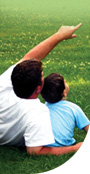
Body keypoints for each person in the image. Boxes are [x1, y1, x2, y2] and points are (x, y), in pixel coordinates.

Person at [0, 23, 82, 155]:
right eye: (42, 76)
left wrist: (59, 36)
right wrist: (74, 148)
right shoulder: (38, 112)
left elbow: (29, 58)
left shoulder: (3, 85)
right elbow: (35, 151)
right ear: (39, 88)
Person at [41, 73, 90, 147]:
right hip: (64, 145)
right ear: (64, 93)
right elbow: (88, 128)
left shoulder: (41, 109)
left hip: (43, 144)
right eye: (65, 82)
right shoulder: (73, 108)